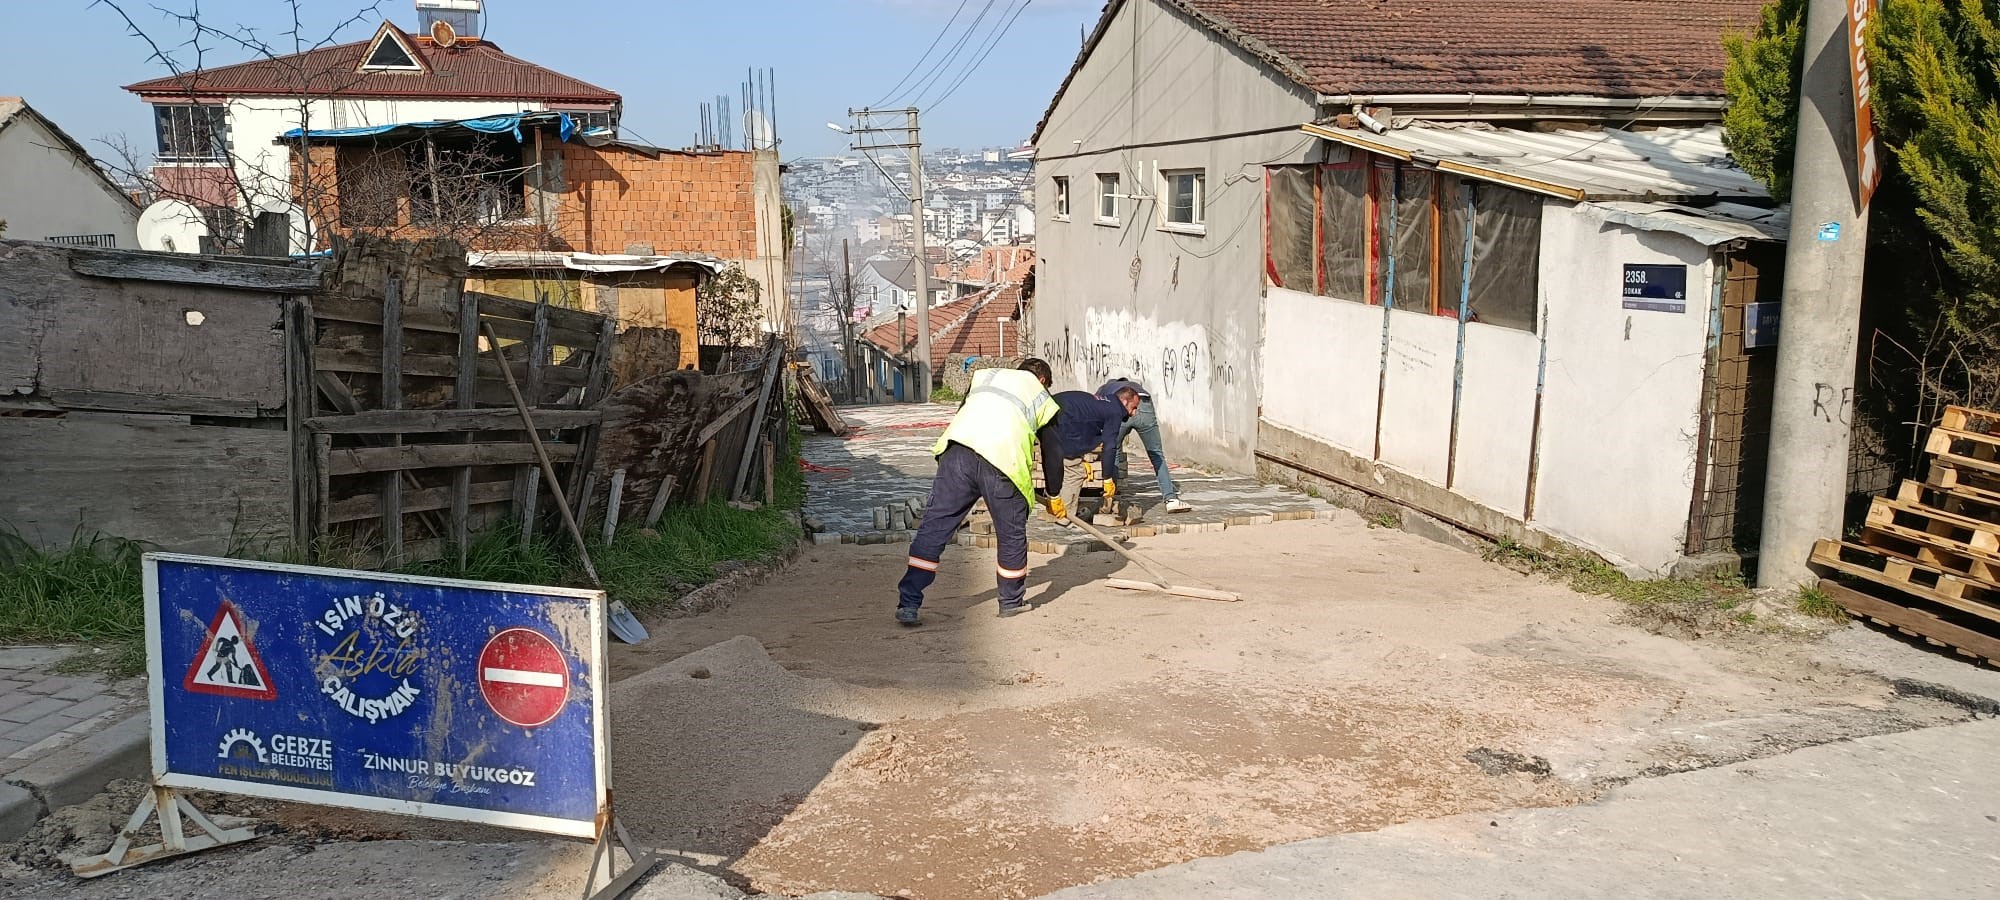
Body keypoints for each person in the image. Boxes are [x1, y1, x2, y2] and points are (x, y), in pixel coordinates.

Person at [896, 358, 1066, 625]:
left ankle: (908, 603)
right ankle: (1010, 602)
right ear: (1043, 380)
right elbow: (1053, 454)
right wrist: (1054, 494)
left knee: (935, 527)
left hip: (956, 454)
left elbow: (965, 414)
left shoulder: (986, 378)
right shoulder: (1040, 395)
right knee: (1010, 535)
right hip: (1002, 463)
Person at [1097, 377, 1192, 513]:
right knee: (1156, 454)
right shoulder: (1134, 386)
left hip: (1121, 406)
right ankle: (1171, 499)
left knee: (1114, 449)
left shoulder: (1104, 390)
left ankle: (1111, 494)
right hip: (1144, 402)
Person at [1051, 385, 1141, 524]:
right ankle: (1064, 517)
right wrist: (1107, 479)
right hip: (1062, 420)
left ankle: (1055, 504)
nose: (1134, 413)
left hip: (1055, 412)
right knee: (1074, 472)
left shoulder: (1105, 403)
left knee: (1064, 466)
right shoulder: (1115, 411)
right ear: (1124, 402)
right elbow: (1110, 446)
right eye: (1133, 407)